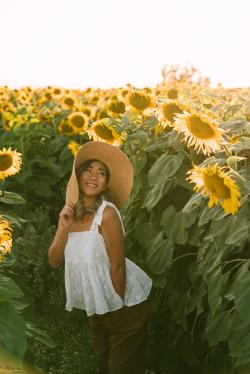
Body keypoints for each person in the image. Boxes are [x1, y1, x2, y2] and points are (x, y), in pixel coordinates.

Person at [48, 141, 153, 374]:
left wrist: (117, 307)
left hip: (123, 303)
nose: (94, 176)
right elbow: (54, 261)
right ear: (78, 175)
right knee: (103, 366)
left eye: (102, 172)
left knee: (120, 368)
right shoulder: (69, 215)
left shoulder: (106, 214)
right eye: (89, 169)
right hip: (97, 307)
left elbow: (117, 266)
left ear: (106, 182)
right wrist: (63, 229)